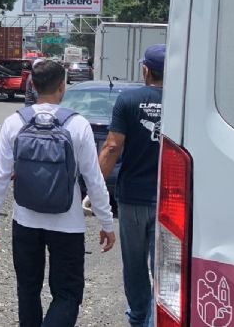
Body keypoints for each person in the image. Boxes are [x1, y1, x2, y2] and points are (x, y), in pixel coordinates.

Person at [0, 60, 116, 327]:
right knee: (67, 294)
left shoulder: (14, 122)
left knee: (28, 290)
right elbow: (93, 179)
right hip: (68, 224)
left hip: (25, 222)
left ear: (31, 85)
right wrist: (106, 222)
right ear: (62, 87)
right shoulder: (77, 125)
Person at [98, 44, 164, 327]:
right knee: (165, 269)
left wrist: (96, 187)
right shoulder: (186, 101)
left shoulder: (129, 100)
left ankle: (139, 319)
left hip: (133, 199)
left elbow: (112, 147)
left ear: (146, 69)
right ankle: (158, 319)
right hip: (172, 200)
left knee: (135, 266)